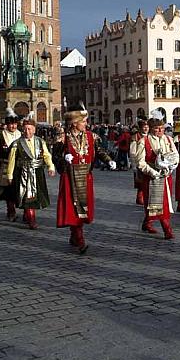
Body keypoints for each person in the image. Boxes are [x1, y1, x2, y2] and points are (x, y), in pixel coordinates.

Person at [54, 105, 114, 253]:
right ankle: (80, 240)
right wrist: (63, 159)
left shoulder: (91, 136)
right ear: (74, 122)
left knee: (83, 207)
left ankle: (75, 235)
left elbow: (99, 151)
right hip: (70, 177)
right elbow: (55, 156)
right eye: (83, 121)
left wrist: (108, 160)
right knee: (73, 208)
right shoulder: (63, 137)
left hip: (85, 176)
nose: (86, 124)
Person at [5, 118, 56, 229]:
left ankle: (27, 214)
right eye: (25, 129)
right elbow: (12, 160)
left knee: (34, 195)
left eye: (29, 129)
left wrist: (50, 166)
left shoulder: (40, 141)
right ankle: (31, 219)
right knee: (27, 195)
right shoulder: (16, 143)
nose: (27, 131)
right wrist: (9, 175)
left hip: (37, 172)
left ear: (34, 130)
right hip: (23, 172)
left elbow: (46, 155)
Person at [134, 115, 179, 239]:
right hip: (151, 177)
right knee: (156, 203)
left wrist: (173, 165)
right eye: (157, 128)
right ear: (151, 129)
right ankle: (167, 230)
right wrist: (152, 172)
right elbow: (140, 162)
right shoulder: (144, 141)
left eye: (162, 128)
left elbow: (175, 155)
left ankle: (147, 223)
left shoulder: (169, 140)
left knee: (163, 202)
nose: (160, 131)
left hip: (166, 176)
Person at [0, 110, 22, 221]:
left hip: (19, 167)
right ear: (7, 124)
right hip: (5, 167)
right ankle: (11, 211)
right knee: (8, 191)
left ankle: (27, 213)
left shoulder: (21, 135)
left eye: (15, 124)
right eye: (11, 124)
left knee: (22, 190)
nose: (13, 126)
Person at [130, 119, 149, 205]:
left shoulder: (150, 136)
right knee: (140, 181)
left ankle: (145, 196)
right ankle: (139, 197)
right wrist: (134, 164)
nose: (146, 128)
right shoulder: (136, 137)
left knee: (147, 180)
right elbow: (133, 152)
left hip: (148, 161)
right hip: (139, 161)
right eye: (144, 127)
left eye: (147, 127)